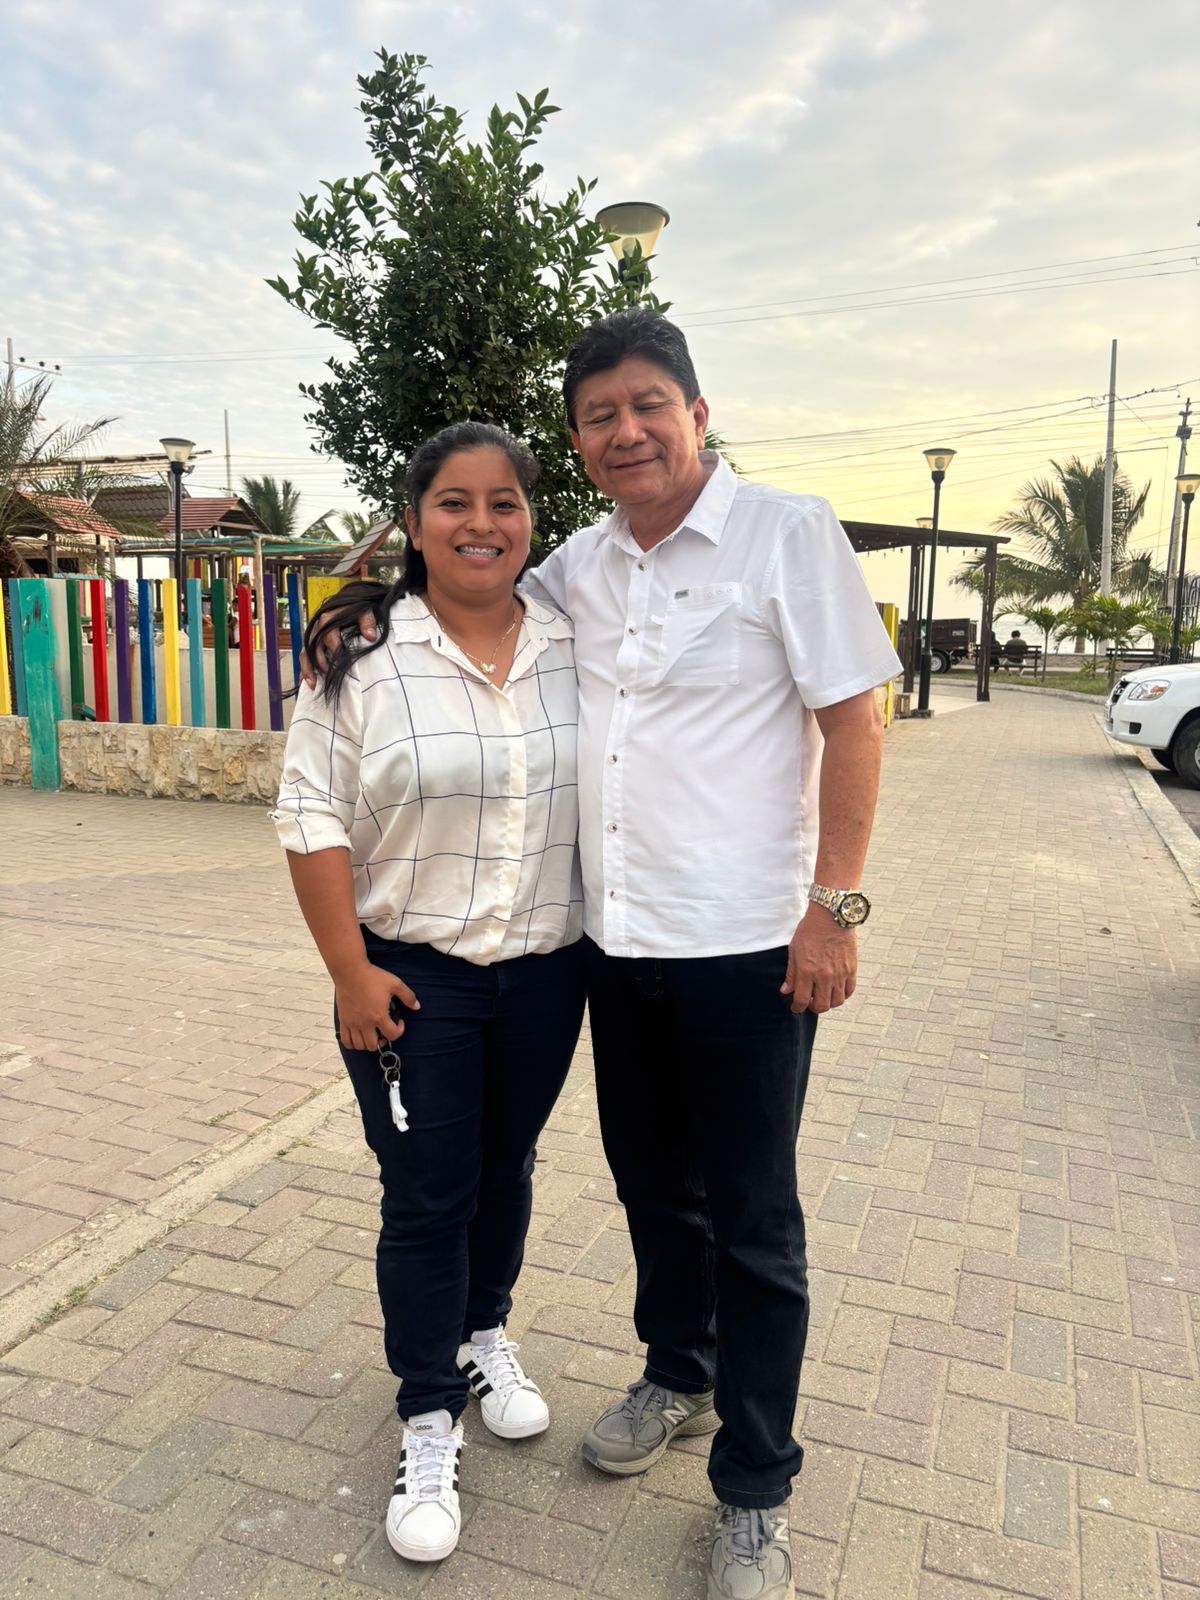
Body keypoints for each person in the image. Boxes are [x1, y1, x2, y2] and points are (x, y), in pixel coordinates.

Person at [310, 312, 902, 1600]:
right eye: (598, 416)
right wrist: (357, 612)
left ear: (697, 412)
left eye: (647, 405)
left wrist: (835, 909)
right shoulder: (577, 563)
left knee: (754, 1220)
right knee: (651, 1192)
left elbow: (856, 719)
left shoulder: (787, 535)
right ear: (580, 441)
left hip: (749, 949)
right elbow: (459, 590)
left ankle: (755, 1487)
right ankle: (679, 1374)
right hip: (612, 948)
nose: (625, 431)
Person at [273, 422, 585, 1567]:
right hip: (411, 978)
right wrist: (348, 973)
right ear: (412, 521)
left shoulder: (573, 640)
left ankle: (482, 1330)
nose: (481, 523)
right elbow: (310, 815)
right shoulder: (360, 656)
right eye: (454, 501)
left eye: (505, 502)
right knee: (425, 1196)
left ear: (531, 520)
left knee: (506, 1167)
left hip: (548, 971)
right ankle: (426, 1413)